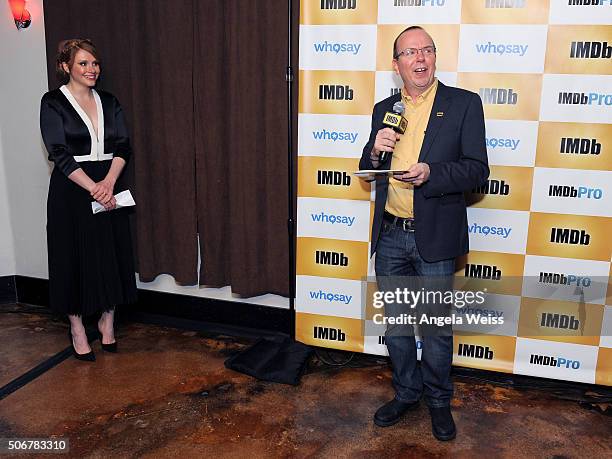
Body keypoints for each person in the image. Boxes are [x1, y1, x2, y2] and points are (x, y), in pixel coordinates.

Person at [359, 26, 489, 440]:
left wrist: (432, 172)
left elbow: (477, 170)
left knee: (434, 328)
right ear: (396, 64)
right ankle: (406, 392)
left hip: (433, 237)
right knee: (397, 327)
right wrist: (376, 149)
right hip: (392, 234)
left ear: (434, 57)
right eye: (410, 53)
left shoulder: (464, 104)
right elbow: (368, 165)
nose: (420, 59)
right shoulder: (385, 108)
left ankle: (437, 400)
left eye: (427, 50)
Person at [40, 39, 137, 361]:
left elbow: (123, 146)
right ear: (65, 67)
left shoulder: (109, 101)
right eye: (83, 63)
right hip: (72, 188)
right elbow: (58, 153)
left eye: (94, 63)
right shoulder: (52, 102)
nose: (91, 69)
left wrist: (107, 182)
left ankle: (108, 322)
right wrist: (93, 187)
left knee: (111, 253)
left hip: (109, 182)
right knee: (73, 256)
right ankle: (77, 328)